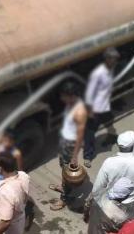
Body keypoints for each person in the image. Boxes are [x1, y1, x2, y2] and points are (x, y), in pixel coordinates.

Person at [49, 81, 88, 211]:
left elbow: (80, 135)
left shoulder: (80, 111)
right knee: (63, 168)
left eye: (63, 96)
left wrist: (75, 156)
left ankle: (64, 199)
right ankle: (63, 186)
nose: (61, 99)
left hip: (71, 145)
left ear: (71, 95)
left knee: (68, 172)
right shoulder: (70, 104)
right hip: (64, 141)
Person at [84, 47, 120, 167]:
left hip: (105, 106)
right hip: (96, 109)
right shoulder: (98, 73)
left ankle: (111, 137)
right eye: (113, 59)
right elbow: (89, 92)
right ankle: (88, 156)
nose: (115, 61)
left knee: (110, 122)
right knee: (90, 133)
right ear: (107, 59)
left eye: (116, 59)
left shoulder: (110, 70)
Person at [0, 152, 30, 234]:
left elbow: (5, 222)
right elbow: (16, 191)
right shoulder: (23, 176)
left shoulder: (5, 193)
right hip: (18, 223)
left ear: (0, 168)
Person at [91, 131, 134, 204]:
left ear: (118, 146)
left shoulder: (109, 162)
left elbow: (99, 184)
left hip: (111, 198)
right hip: (131, 201)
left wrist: (94, 197)